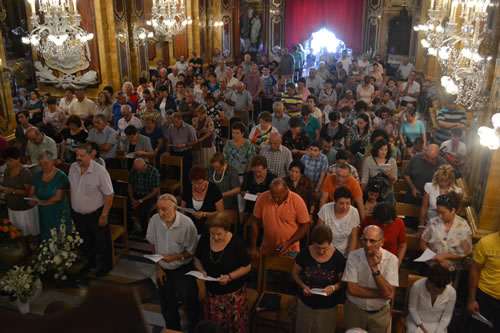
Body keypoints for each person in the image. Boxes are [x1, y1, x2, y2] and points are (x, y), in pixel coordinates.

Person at [146, 194, 199, 333]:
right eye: (158, 209)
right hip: (163, 268)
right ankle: (173, 330)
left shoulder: (187, 225)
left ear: (175, 208)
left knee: (190, 302)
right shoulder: (154, 220)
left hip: (183, 268)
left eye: (164, 209)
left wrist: (175, 257)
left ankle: (194, 329)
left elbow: (191, 252)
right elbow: (153, 244)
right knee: (167, 305)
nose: (160, 213)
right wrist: (158, 268)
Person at [194, 212, 251, 332]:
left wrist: (229, 277)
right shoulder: (205, 239)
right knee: (215, 328)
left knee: (235, 327)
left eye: (219, 234)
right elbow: (197, 258)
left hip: (233, 296)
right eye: (212, 234)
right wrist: (202, 271)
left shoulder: (236, 244)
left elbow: (247, 267)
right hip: (212, 295)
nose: (215, 237)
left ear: (226, 229)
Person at [342, 225, 399, 333]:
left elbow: (389, 293)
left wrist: (374, 268)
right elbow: (352, 289)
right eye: (364, 240)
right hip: (355, 311)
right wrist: (381, 293)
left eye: (372, 241)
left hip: (379, 314)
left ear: (382, 242)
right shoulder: (353, 257)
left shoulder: (391, 260)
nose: (367, 245)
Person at [69, 144, 114, 277]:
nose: (78, 158)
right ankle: (91, 262)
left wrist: (104, 215)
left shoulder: (100, 172)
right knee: (85, 241)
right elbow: (72, 187)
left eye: (82, 156)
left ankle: (106, 266)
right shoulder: (73, 167)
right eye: (77, 155)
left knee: (101, 242)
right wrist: (73, 205)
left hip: (96, 213)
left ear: (90, 155)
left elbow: (109, 194)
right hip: (78, 213)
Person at [292, 225, 346, 333]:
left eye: (324, 248)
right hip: (306, 304)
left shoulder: (337, 258)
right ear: (312, 242)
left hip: (327, 307)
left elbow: (343, 282)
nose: (321, 252)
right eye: (318, 247)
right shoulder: (304, 253)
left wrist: (333, 288)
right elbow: (295, 274)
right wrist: (303, 286)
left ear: (330, 243)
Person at [248, 178, 309, 259]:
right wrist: (253, 247)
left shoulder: (297, 200)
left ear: (286, 190)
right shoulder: (263, 198)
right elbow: (254, 222)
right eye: (273, 197)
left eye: (279, 197)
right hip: (267, 249)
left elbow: (305, 225)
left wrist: (289, 242)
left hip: (291, 249)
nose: (276, 199)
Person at [420, 191, 472, 272]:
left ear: (453, 210)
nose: (440, 216)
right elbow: (423, 244)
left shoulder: (463, 227)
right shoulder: (433, 222)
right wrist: (437, 257)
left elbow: (464, 253)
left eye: (443, 213)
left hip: (452, 268)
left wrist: (445, 256)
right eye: (438, 212)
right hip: (432, 265)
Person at [30, 150, 71, 241]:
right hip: (43, 213)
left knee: (60, 236)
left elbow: (59, 197)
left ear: (53, 161)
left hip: (58, 211)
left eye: (46, 163)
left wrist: (43, 203)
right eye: (40, 164)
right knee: (46, 236)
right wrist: (33, 197)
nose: (43, 166)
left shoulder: (61, 176)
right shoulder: (37, 175)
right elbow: (31, 192)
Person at [2, 147, 40, 246]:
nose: (8, 163)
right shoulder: (7, 171)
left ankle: (37, 250)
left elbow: (28, 192)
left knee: (32, 231)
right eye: (6, 160)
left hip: (25, 209)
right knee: (19, 232)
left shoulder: (24, 173)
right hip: (13, 208)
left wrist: (13, 191)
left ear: (18, 159)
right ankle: (26, 249)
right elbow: (6, 185)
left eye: (10, 160)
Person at [407, 264, 456, 333]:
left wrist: (438, 330)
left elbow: (447, 316)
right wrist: (423, 328)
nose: (438, 293)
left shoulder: (451, 292)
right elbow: (412, 309)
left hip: (438, 324)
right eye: (435, 290)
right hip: (416, 321)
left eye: (441, 291)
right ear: (429, 283)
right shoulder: (417, 286)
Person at [467, 229, 500, 333]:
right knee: (480, 329)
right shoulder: (486, 242)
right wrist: (471, 299)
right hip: (485, 295)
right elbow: (475, 271)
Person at [318, 186, 360, 257]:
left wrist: (349, 258)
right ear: (335, 201)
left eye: (348, 203)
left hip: (344, 253)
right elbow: (319, 234)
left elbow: (353, 238)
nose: (345, 207)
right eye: (341, 203)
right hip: (326, 251)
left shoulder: (354, 212)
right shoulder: (325, 209)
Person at [181, 166, 224, 235]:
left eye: (199, 182)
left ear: (205, 179)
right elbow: (183, 210)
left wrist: (204, 214)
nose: (196, 186)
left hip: (209, 228)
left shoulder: (214, 189)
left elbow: (220, 213)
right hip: (190, 227)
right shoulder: (188, 187)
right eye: (193, 182)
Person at [361, 202, 407, 266]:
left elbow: (402, 245)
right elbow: (359, 239)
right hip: (368, 257)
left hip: (390, 259)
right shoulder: (368, 219)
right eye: (381, 222)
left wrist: (398, 262)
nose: (384, 225)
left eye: (387, 223)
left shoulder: (399, 223)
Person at [418, 165, 461, 234]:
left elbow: (457, 211)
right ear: (437, 178)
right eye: (441, 180)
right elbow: (424, 207)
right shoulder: (429, 186)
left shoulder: (456, 191)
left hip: (448, 224)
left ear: (450, 180)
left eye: (446, 181)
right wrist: (421, 225)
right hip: (430, 221)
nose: (443, 183)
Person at [164, 113, 198, 190]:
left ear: (181, 120)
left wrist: (184, 145)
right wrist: (168, 151)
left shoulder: (189, 128)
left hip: (186, 152)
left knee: (186, 173)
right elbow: (169, 140)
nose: (175, 124)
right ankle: (177, 190)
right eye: (173, 122)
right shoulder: (171, 127)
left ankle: (186, 189)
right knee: (175, 173)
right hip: (175, 152)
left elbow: (195, 142)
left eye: (176, 122)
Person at [127, 158, 160, 237]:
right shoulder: (133, 170)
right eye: (136, 170)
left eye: (139, 170)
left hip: (149, 197)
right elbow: (130, 185)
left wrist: (141, 201)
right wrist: (131, 198)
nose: (138, 172)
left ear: (145, 166)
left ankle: (145, 233)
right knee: (123, 206)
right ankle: (131, 227)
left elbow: (156, 191)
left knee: (143, 211)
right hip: (136, 195)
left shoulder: (154, 172)